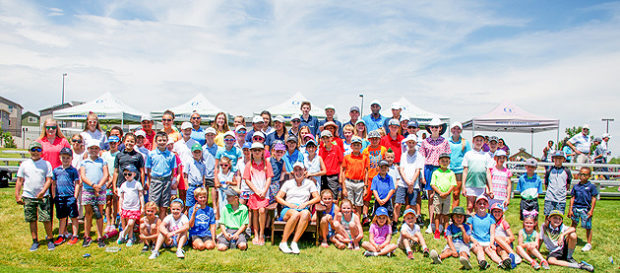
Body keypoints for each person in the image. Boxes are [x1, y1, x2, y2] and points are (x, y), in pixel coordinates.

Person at [15, 142, 54, 251]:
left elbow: (49, 180)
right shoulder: (24, 164)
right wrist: (17, 195)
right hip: (28, 196)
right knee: (32, 219)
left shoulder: (46, 164)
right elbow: (19, 180)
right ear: (29, 151)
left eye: (38, 150)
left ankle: (50, 239)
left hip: (43, 197)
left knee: (46, 219)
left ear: (41, 152)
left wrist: (43, 192)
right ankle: (35, 240)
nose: (35, 152)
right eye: (33, 150)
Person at [276, 162, 321, 254]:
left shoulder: (310, 183)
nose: (298, 172)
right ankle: (283, 242)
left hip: (303, 208)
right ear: (293, 172)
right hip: (289, 209)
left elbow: (317, 197)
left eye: (300, 169)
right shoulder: (288, 183)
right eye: (296, 170)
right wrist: (288, 204)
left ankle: (294, 243)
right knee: (295, 214)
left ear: (304, 171)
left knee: (305, 214)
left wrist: (306, 204)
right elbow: (278, 197)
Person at [420, 117, 451, 233]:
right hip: (428, 168)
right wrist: (422, 175)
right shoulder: (424, 142)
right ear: (429, 128)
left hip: (440, 169)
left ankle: (441, 223)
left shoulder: (445, 142)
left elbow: (448, 158)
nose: (434, 129)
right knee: (431, 198)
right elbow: (422, 158)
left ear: (440, 128)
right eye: (432, 127)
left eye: (436, 127)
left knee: (441, 196)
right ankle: (432, 223)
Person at [112, 133, 145, 230]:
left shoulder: (138, 156)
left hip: (134, 185)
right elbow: (116, 171)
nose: (129, 143)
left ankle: (132, 228)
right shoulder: (119, 155)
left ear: (135, 143)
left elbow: (142, 171)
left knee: (134, 206)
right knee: (122, 207)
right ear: (123, 141)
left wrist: (142, 185)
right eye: (128, 141)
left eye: (132, 141)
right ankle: (123, 229)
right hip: (122, 184)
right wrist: (114, 185)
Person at [80, 139, 109, 248]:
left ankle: (100, 236)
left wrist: (99, 186)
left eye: (96, 148)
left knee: (100, 213)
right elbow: (83, 176)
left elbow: (106, 175)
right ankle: (87, 236)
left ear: (99, 150)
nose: (93, 150)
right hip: (88, 189)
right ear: (88, 149)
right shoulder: (84, 162)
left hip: (100, 190)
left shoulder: (102, 161)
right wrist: (93, 185)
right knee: (88, 213)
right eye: (91, 148)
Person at [244, 142, 273, 246]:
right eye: (254, 150)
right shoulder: (249, 165)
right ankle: (256, 234)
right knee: (255, 212)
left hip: (264, 193)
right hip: (254, 192)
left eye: (259, 150)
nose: (257, 152)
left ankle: (261, 233)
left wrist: (264, 191)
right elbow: (247, 180)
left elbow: (269, 178)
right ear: (251, 152)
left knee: (262, 211)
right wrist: (256, 191)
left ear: (262, 152)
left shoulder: (266, 163)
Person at [51, 147, 80, 246]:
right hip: (60, 197)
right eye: (63, 157)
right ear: (60, 158)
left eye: (68, 158)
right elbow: (54, 184)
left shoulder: (73, 171)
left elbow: (77, 183)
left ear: (71, 159)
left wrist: (75, 196)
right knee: (62, 217)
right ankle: (61, 235)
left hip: (70, 196)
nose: (66, 160)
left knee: (73, 217)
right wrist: (54, 195)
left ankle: (75, 235)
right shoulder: (56, 171)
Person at [146, 132, 177, 219]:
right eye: (160, 140)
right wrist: (149, 181)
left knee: (164, 205)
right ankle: (153, 225)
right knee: (153, 205)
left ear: (167, 141)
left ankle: (161, 226)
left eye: (164, 140)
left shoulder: (171, 155)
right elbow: (148, 169)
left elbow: (173, 170)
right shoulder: (151, 154)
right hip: (155, 180)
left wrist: (170, 180)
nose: (162, 142)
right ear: (156, 141)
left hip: (166, 181)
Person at [462, 133, 494, 214]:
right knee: (470, 206)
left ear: (483, 142)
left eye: (481, 140)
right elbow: (465, 171)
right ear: (473, 141)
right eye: (477, 140)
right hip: (470, 185)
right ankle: (469, 225)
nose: (479, 142)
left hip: (481, 185)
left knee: (479, 207)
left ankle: (477, 224)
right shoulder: (468, 154)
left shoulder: (486, 155)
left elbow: (488, 173)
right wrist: (463, 186)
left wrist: (490, 188)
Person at [568, 167, 598, 252]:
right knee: (573, 224)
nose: (582, 176)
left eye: (584, 175)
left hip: (585, 209)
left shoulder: (591, 186)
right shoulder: (576, 186)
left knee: (588, 226)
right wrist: (570, 209)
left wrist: (591, 210)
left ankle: (588, 243)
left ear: (589, 176)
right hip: (576, 208)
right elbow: (572, 198)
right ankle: (570, 240)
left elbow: (594, 198)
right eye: (580, 174)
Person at [396, 134, 423, 223]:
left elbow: (417, 170)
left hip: (414, 184)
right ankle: (395, 223)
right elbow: (402, 169)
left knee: (412, 204)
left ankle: (411, 222)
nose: (411, 144)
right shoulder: (404, 155)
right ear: (406, 143)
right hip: (403, 183)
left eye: (412, 142)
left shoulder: (419, 155)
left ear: (415, 143)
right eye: (409, 142)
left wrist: (411, 183)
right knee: (398, 204)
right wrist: (408, 182)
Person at [430, 153, 457, 240]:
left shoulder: (451, 173)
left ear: (449, 162)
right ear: (439, 162)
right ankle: (437, 231)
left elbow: (453, 184)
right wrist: (440, 193)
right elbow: (433, 184)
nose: (444, 163)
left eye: (446, 161)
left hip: (447, 196)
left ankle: (446, 230)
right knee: (437, 213)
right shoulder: (436, 172)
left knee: (446, 214)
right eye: (442, 161)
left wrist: (446, 193)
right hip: (438, 196)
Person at [467, 196, 498, 270]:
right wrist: (474, 241)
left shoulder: (491, 217)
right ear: (476, 205)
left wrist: (491, 243)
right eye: (480, 203)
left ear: (487, 205)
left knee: (491, 252)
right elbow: (468, 232)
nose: (482, 205)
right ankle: (482, 262)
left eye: (484, 204)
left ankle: (501, 262)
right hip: (476, 241)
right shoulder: (472, 217)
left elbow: (492, 233)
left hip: (487, 241)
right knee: (479, 250)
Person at [362, 130, 387, 224]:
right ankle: (365, 216)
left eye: (376, 139)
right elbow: (364, 167)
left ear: (379, 139)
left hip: (380, 177)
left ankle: (379, 215)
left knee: (379, 197)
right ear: (369, 140)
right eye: (372, 139)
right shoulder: (366, 151)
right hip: (369, 177)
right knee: (366, 198)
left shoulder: (383, 149)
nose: (374, 141)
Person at [116, 165, 144, 247]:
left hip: (135, 207)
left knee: (131, 223)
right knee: (129, 224)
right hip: (125, 207)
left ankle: (123, 234)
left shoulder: (137, 184)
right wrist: (120, 208)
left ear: (134, 174)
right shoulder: (123, 185)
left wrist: (142, 206)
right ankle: (130, 238)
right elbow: (121, 198)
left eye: (129, 174)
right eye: (125, 174)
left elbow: (141, 195)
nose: (127, 176)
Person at [341, 137, 366, 215]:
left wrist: (365, 187)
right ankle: (349, 223)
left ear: (361, 146)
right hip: (349, 182)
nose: (356, 147)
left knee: (359, 204)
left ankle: (358, 223)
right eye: (354, 145)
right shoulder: (347, 157)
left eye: (358, 145)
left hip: (360, 183)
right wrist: (344, 187)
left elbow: (366, 172)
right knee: (349, 204)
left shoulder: (364, 158)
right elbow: (343, 171)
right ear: (351, 146)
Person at [448, 122, 470, 209]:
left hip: (459, 171)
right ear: (451, 130)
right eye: (454, 128)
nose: (456, 130)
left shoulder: (465, 142)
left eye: (458, 129)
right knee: (445, 193)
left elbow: (468, 156)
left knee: (456, 193)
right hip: (448, 170)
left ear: (461, 130)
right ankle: (444, 215)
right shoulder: (447, 141)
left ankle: (453, 214)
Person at [102, 136, 120, 236]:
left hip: (116, 182)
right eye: (111, 143)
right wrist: (108, 180)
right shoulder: (105, 155)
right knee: (107, 202)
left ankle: (113, 221)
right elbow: (104, 168)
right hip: (107, 182)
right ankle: (108, 222)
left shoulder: (119, 154)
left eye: (115, 143)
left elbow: (117, 170)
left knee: (115, 201)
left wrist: (113, 181)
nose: (113, 145)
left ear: (118, 143)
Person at [489, 204, 518, 269]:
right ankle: (507, 261)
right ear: (492, 212)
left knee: (497, 238)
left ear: (502, 213)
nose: (497, 213)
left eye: (499, 211)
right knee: (501, 252)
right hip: (497, 245)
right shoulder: (490, 222)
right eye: (495, 211)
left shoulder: (503, 223)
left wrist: (507, 240)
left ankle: (513, 254)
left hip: (505, 243)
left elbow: (512, 237)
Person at [544, 151, 572, 217]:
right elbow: (546, 184)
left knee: (559, 218)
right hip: (549, 198)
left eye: (560, 158)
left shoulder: (567, 171)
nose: (557, 160)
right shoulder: (549, 170)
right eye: (556, 158)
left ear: (564, 159)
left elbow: (567, 185)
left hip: (561, 199)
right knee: (548, 217)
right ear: (553, 159)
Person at [319, 130, 344, 197]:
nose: (325, 140)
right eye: (323, 138)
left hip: (333, 176)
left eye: (327, 138)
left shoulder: (337, 148)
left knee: (334, 196)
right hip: (323, 176)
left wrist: (341, 176)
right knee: (323, 196)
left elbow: (341, 163)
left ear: (331, 138)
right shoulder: (321, 150)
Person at [184, 143, 207, 209]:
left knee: (200, 205)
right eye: (195, 152)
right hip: (192, 186)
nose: (197, 154)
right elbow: (185, 176)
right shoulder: (189, 162)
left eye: (199, 152)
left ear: (201, 152)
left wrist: (204, 186)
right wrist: (187, 187)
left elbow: (203, 176)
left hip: (200, 186)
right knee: (190, 206)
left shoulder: (203, 164)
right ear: (192, 152)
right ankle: (189, 218)